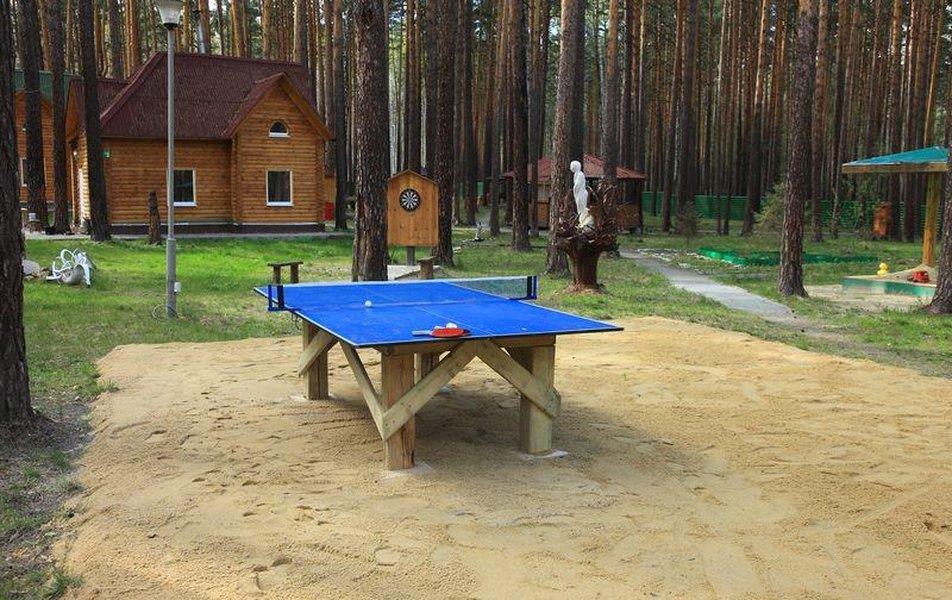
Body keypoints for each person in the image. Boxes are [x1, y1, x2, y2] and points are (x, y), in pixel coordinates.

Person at [571, 160, 593, 230]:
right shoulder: (576, 174)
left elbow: (577, 184)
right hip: (578, 194)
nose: (571, 168)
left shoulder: (580, 174)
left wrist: (574, 188)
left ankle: (585, 222)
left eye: (573, 166)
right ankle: (581, 222)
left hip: (581, 194)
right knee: (579, 209)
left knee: (582, 208)